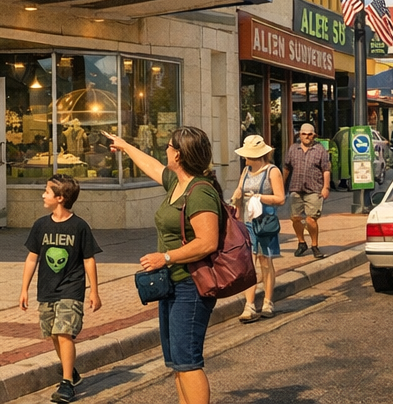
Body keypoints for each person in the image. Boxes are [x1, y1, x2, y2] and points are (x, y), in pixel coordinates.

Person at [107, 127, 222, 404]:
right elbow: (153, 166)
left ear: (179, 155)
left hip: (190, 286)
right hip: (172, 284)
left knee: (188, 360)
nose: (165, 149)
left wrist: (166, 257)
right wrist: (125, 146)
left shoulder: (199, 192)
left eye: (169, 146)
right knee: (176, 361)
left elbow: (208, 242)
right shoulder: (177, 182)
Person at [19, 175, 101, 404]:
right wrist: (24, 289)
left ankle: (66, 384)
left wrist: (94, 291)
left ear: (60, 198)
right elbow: (31, 258)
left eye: (47, 191)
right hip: (47, 289)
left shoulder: (79, 226)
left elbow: (89, 260)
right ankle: (71, 372)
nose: (43, 195)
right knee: (54, 334)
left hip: (71, 290)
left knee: (64, 333)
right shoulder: (41, 225)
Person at [230, 134, 285, 323]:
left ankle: (268, 302)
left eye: (247, 154)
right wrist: (237, 204)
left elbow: (280, 198)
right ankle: (250, 304)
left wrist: (258, 197)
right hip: (247, 223)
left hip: (265, 223)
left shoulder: (272, 171)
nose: (245, 158)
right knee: (248, 264)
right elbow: (239, 195)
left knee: (265, 261)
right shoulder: (245, 171)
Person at [282, 122, 331, 260]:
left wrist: (326, 187)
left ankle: (314, 245)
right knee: (295, 218)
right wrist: (281, 184)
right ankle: (301, 242)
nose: (307, 137)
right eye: (304, 134)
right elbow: (286, 168)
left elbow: (326, 170)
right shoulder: (293, 149)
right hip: (296, 188)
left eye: (310, 134)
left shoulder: (320, 149)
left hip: (314, 189)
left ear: (314, 135)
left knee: (311, 219)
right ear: (300, 135)